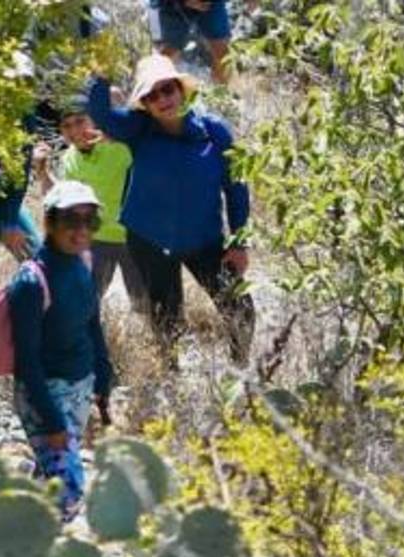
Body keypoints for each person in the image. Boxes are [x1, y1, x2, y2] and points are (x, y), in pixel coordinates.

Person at [86, 54, 255, 367]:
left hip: (205, 240)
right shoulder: (138, 128)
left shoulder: (214, 131)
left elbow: (237, 187)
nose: (162, 99)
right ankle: (171, 378)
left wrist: (240, 241)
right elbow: (100, 113)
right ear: (145, 104)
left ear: (181, 89)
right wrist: (102, 69)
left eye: (167, 89)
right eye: (151, 95)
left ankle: (241, 374)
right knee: (167, 317)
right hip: (150, 241)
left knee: (240, 309)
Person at [9, 180, 113, 520]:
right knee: (68, 492)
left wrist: (103, 373)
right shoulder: (30, 282)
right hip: (46, 394)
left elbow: (91, 322)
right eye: (72, 220)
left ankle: (17, 530)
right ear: (50, 222)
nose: (82, 230)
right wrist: (52, 420)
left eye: (90, 221)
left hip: (80, 387)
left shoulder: (82, 263)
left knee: (50, 481)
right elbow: (26, 361)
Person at [33, 96, 148, 312]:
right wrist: (42, 170)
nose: (75, 130)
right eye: (67, 126)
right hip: (97, 241)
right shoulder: (69, 159)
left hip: (135, 239)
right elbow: (62, 199)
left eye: (80, 121)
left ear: (94, 120)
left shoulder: (120, 146)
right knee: (86, 305)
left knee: (146, 308)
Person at [146, 0, 232, 84]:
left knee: (223, 54)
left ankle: (221, 92)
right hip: (170, 5)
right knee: (168, 53)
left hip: (211, 4)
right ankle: (153, 90)